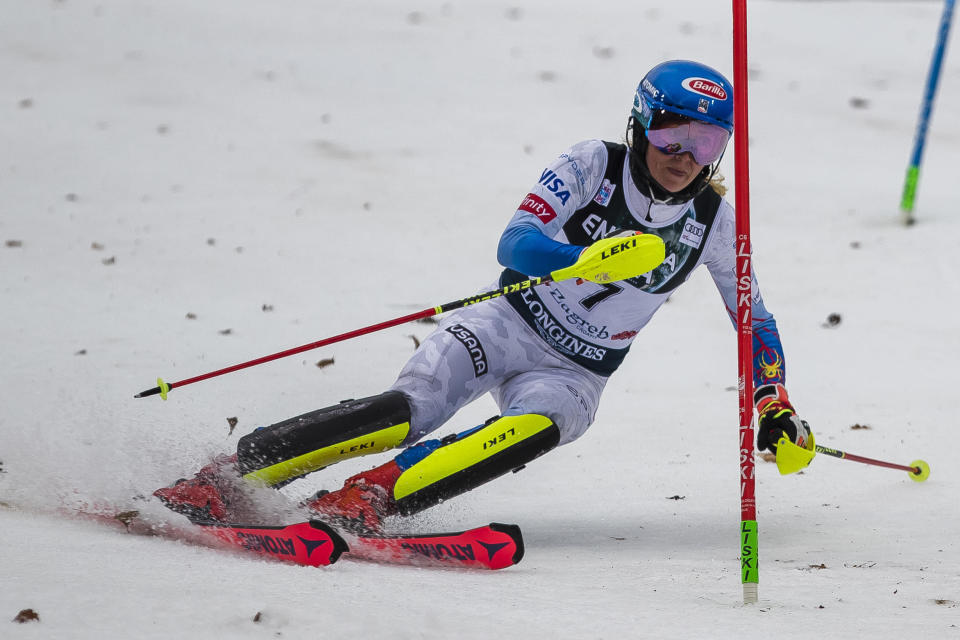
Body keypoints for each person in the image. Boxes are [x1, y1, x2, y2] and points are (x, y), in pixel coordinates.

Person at [154, 60, 814, 532]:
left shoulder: (715, 223)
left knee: (535, 428)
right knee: (405, 411)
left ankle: (369, 499)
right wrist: (581, 260)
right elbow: (516, 244)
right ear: (642, 123)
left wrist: (773, 403)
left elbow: (756, 320)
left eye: (707, 141)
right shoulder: (593, 164)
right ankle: (221, 479)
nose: (684, 155)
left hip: (577, 372)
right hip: (507, 324)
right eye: (673, 133)